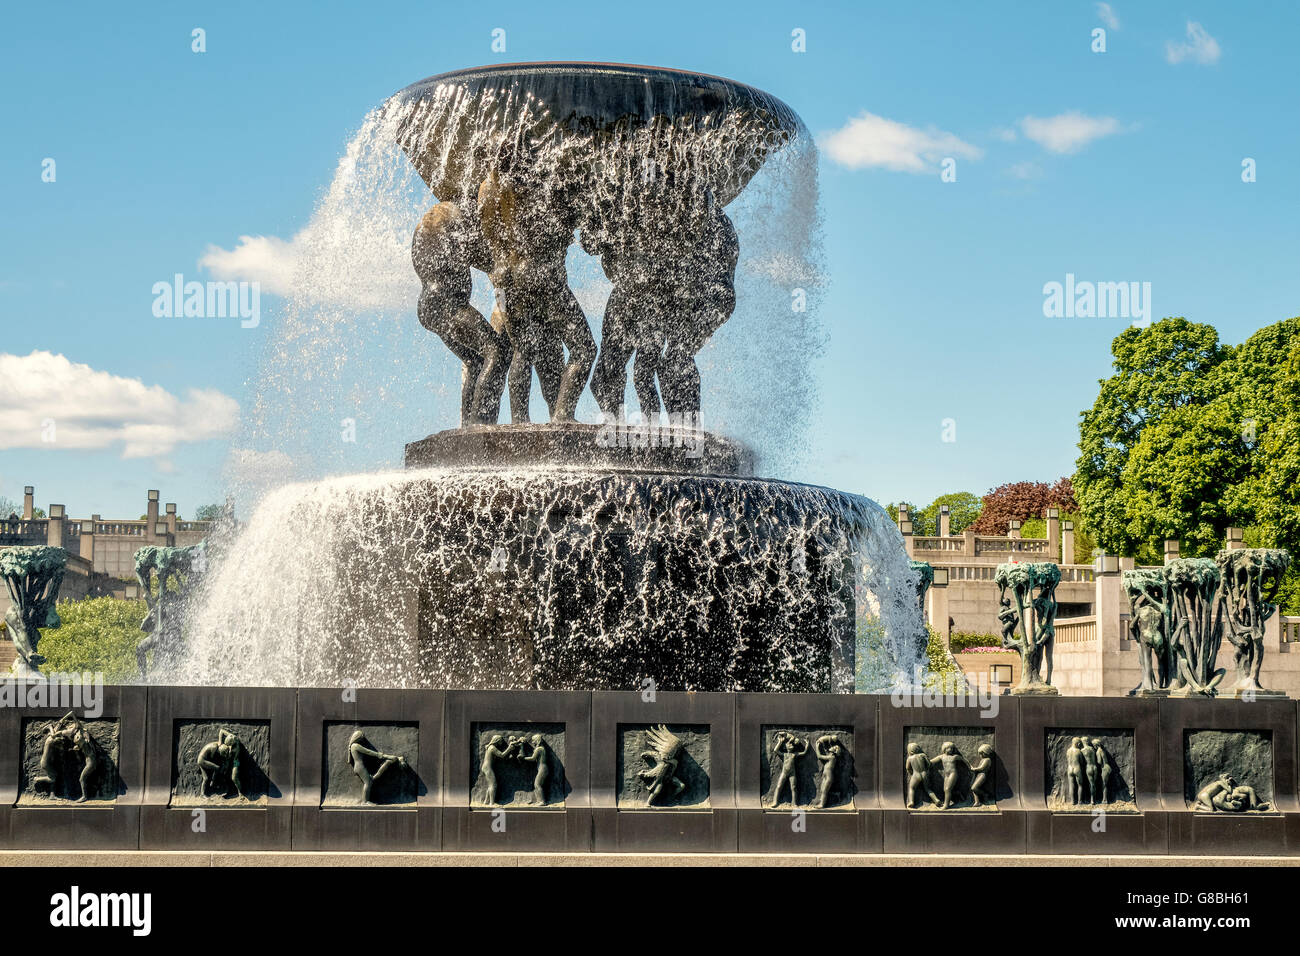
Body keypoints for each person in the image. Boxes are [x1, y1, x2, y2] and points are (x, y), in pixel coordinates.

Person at [478, 146, 595, 423]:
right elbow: (568, 228)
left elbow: (491, 237)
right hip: (542, 276)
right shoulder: (544, 179)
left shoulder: (486, 189)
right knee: (584, 348)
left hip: (505, 284)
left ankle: (519, 420)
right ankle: (563, 416)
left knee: (522, 348)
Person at [412, 202, 511, 425]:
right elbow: (487, 260)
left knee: (475, 361)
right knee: (496, 354)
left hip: (427, 305)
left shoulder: (426, 225)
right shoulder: (451, 221)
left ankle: (467, 426)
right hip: (449, 303)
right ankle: (481, 424)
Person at [346, 731, 408, 804]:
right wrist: (380, 755)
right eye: (362, 737)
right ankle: (365, 802)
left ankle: (365, 800)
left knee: (370, 781)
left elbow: (350, 760)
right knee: (368, 782)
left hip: (358, 767)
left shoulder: (352, 746)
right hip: (360, 766)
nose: (363, 738)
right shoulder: (355, 745)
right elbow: (368, 752)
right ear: (358, 737)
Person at [770, 732, 808, 806]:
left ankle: (794, 803)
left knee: (793, 787)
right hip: (784, 772)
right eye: (789, 744)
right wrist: (780, 742)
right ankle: (775, 802)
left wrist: (807, 744)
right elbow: (776, 750)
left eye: (792, 744)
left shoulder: (795, 754)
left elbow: (804, 752)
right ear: (785, 747)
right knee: (779, 786)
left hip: (792, 773)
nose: (791, 744)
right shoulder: (785, 754)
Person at [930, 742, 970, 809]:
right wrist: (923, 760)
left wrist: (970, 767)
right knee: (946, 790)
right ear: (944, 749)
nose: (951, 749)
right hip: (946, 775)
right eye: (949, 748)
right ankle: (959, 795)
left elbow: (965, 760)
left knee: (947, 789)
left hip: (953, 774)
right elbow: (931, 762)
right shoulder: (941, 757)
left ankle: (946, 805)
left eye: (952, 748)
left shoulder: (955, 757)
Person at [905, 743, 940, 809]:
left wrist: (911, 773)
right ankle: (936, 800)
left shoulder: (910, 758)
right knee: (928, 789)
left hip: (916, 774)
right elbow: (929, 764)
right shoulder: (923, 755)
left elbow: (907, 768)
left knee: (912, 788)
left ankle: (911, 802)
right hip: (924, 774)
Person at [814, 734, 843, 809]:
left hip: (828, 777)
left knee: (824, 791)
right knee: (822, 789)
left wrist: (817, 747)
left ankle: (822, 805)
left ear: (835, 751)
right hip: (825, 776)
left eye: (833, 747)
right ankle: (834, 796)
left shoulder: (832, 757)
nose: (831, 747)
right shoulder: (830, 755)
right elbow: (826, 749)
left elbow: (819, 756)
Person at [521, 733, 549, 805]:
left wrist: (523, 758)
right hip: (542, 769)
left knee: (537, 784)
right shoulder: (540, 748)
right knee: (537, 784)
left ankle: (542, 801)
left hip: (543, 769)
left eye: (533, 740)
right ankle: (538, 800)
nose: (532, 742)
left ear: (537, 740)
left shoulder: (539, 749)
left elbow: (533, 758)